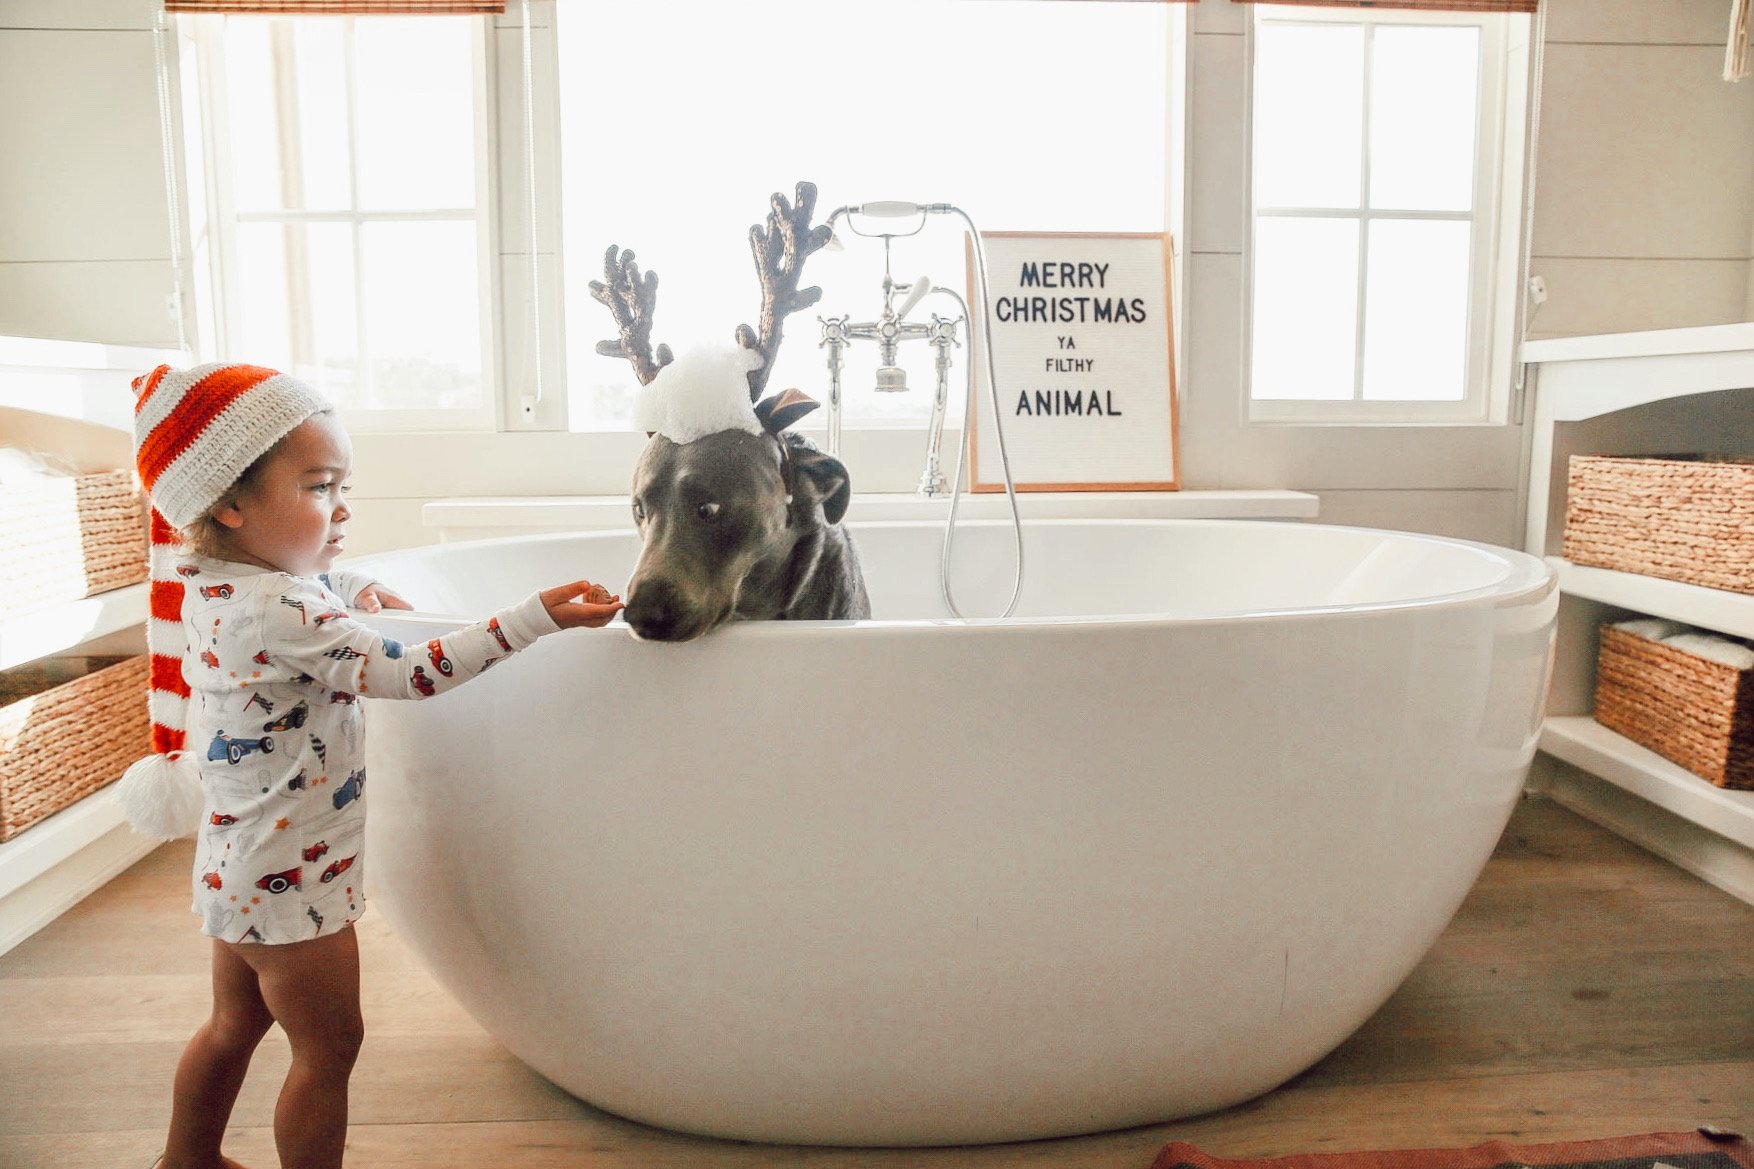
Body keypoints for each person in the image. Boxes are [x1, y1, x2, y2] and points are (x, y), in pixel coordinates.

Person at [116, 362, 622, 1169]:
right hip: (294, 880)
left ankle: (186, 1161)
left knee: (231, 1026)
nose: (342, 505)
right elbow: (404, 671)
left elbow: (301, 588)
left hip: (234, 868)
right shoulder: (285, 609)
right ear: (231, 503)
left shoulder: (212, 583)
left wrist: (351, 581)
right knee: (330, 1048)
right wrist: (530, 620)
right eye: (319, 486)